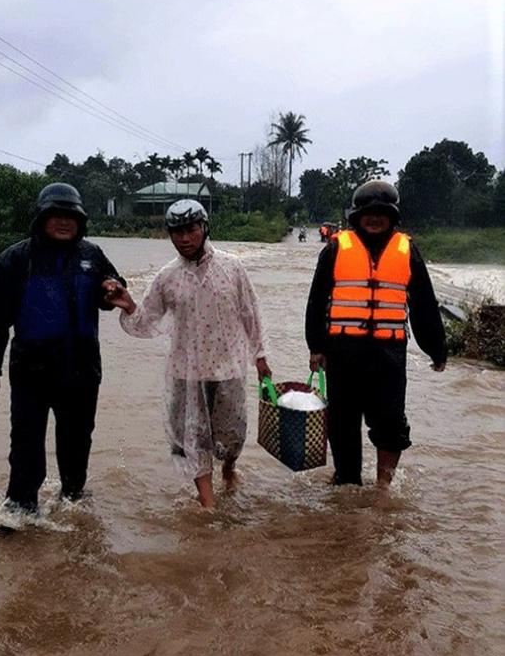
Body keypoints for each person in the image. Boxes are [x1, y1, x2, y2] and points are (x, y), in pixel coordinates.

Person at [103, 199, 272, 508]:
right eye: (176, 232)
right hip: (185, 373)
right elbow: (147, 320)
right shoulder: (167, 277)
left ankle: (230, 468)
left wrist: (260, 357)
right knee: (193, 441)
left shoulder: (232, 267)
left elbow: (251, 314)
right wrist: (128, 305)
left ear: (204, 228)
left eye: (191, 230)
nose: (184, 238)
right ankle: (208, 507)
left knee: (231, 438)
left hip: (228, 369)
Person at [0, 183, 125, 513]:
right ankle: (20, 507)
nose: (63, 222)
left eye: (70, 216)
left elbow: (112, 289)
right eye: (55, 215)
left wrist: (113, 287)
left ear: (80, 221)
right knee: (26, 443)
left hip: (82, 369)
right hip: (31, 370)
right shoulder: (16, 258)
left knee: (77, 442)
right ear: (41, 218)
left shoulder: (92, 255)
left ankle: (72, 499)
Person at [305, 180, 446, 487]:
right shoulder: (334, 249)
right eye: (368, 212)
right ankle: (347, 481)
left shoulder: (407, 251)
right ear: (356, 216)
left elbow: (423, 305)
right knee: (342, 423)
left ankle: (384, 487)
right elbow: (317, 301)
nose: (375, 218)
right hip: (342, 352)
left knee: (391, 422)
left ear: (392, 216)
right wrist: (316, 347)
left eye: (382, 212)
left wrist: (437, 349)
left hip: (388, 356)